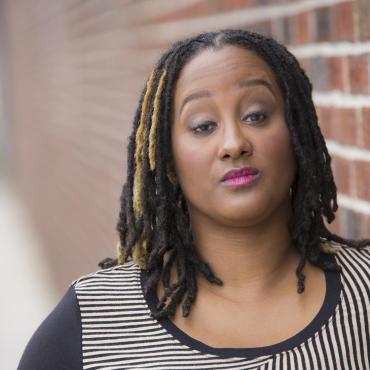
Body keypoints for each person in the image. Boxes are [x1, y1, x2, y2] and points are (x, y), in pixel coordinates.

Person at [18, 29, 369, 370]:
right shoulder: (94, 323)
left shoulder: (363, 292)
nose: (234, 143)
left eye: (256, 116)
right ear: (168, 160)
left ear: (297, 133)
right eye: (203, 125)